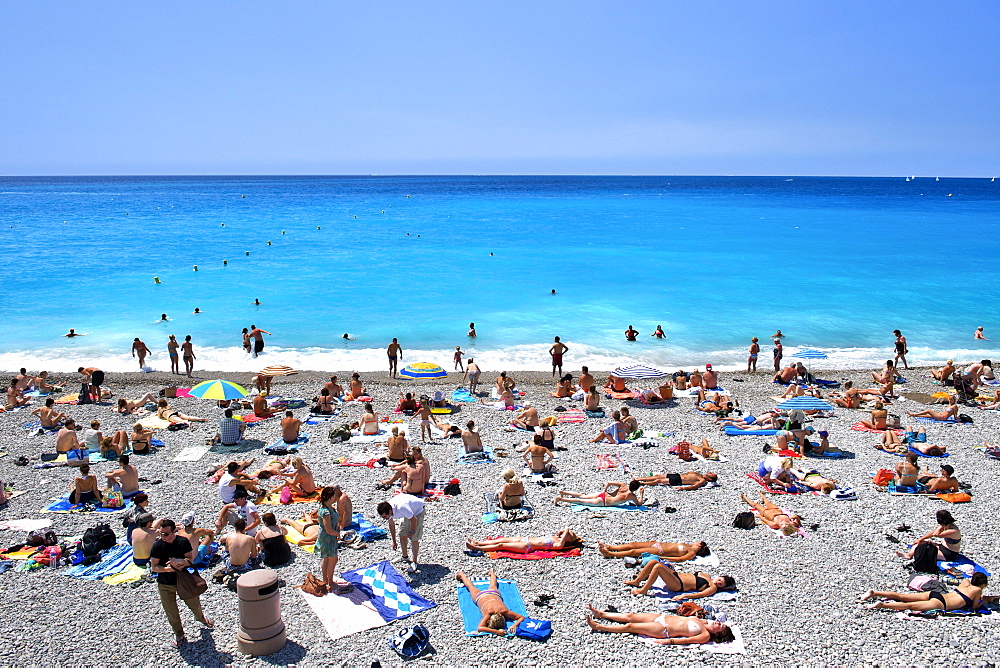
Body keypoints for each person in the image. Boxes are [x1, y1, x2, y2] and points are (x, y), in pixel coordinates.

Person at [150, 519, 214, 646]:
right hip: (165, 583)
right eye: (161, 533)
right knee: (171, 611)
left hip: (183, 580)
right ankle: (179, 634)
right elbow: (154, 567)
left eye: (166, 534)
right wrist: (169, 569)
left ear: (174, 531)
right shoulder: (157, 546)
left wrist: (180, 561)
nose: (163, 536)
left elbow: (190, 559)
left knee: (194, 603)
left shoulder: (182, 542)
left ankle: (201, 618)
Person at [585, 606, 733, 645]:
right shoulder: (703, 621)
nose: (719, 623)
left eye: (720, 627)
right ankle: (601, 614)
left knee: (631, 626)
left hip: (664, 630)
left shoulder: (704, 635)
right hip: (662, 617)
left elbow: (685, 641)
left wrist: (668, 641)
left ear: (717, 634)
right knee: (631, 616)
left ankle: (599, 627)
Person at [861, 572, 987, 612]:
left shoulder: (965, 582)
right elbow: (975, 606)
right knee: (909, 606)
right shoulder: (977, 590)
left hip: (936, 594)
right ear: (982, 584)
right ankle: (883, 605)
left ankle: (875, 593)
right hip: (941, 603)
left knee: (903, 596)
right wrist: (984, 600)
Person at [456, 569, 525, 636]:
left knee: (492, 585)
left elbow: (521, 617)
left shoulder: (504, 611)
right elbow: (480, 628)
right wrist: (497, 631)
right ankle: (462, 575)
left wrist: (513, 625)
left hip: (494, 594)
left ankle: (491, 573)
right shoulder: (489, 613)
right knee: (471, 587)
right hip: (481, 596)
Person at [624, 561, 735, 598]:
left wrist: (685, 595)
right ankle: (637, 581)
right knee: (654, 562)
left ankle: (644, 590)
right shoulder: (707, 576)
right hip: (676, 575)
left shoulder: (712, 587)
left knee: (658, 567)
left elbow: (700, 595)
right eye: (720, 580)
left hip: (678, 585)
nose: (718, 582)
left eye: (721, 584)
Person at [377, 493, 425, 572]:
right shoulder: (389, 509)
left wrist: (412, 531)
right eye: (383, 517)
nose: (385, 518)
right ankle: (405, 556)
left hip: (418, 510)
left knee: (414, 538)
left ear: (390, 511)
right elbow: (391, 524)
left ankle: (414, 562)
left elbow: (414, 520)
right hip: (408, 510)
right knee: (402, 534)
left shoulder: (401, 508)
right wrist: (394, 541)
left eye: (385, 516)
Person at [896, 510, 964, 561]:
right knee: (920, 543)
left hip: (949, 554)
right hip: (942, 547)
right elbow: (932, 533)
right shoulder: (947, 526)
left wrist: (940, 526)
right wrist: (920, 539)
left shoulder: (953, 531)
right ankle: (909, 555)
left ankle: (910, 555)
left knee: (923, 550)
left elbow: (936, 534)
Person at [466, 529, 582, 554]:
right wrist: (562, 533)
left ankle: (478, 548)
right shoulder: (556, 538)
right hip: (525, 539)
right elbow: (563, 531)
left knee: (501, 545)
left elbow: (566, 532)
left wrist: (566, 532)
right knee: (502, 539)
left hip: (527, 546)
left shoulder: (559, 545)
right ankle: (478, 543)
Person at [555, 481, 644, 507]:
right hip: (605, 501)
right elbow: (639, 504)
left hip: (604, 494)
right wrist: (641, 494)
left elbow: (609, 482)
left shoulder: (623, 485)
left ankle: (563, 492)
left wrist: (605, 490)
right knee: (581, 501)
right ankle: (560, 499)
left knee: (583, 496)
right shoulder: (632, 496)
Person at [597, 540, 712, 561]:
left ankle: (610, 554)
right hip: (658, 544)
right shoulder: (687, 545)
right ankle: (611, 547)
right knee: (633, 545)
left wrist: (663, 558)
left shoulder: (691, 553)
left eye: (698, 543)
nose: (695, 542)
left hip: (661, 551)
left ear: (700, 547)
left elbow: (680, 559)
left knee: (634, 553)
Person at [634, 471, 718, 491]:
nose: (710, 472)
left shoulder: (702, 480)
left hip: (678, 480)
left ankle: (642, 483)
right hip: (677, 475)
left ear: (710, 479)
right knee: (657, 476)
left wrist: (683, 488)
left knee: (659, 480)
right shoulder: (700, 474)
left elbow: (695, 486)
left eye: (711, 474)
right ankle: (639, 478)